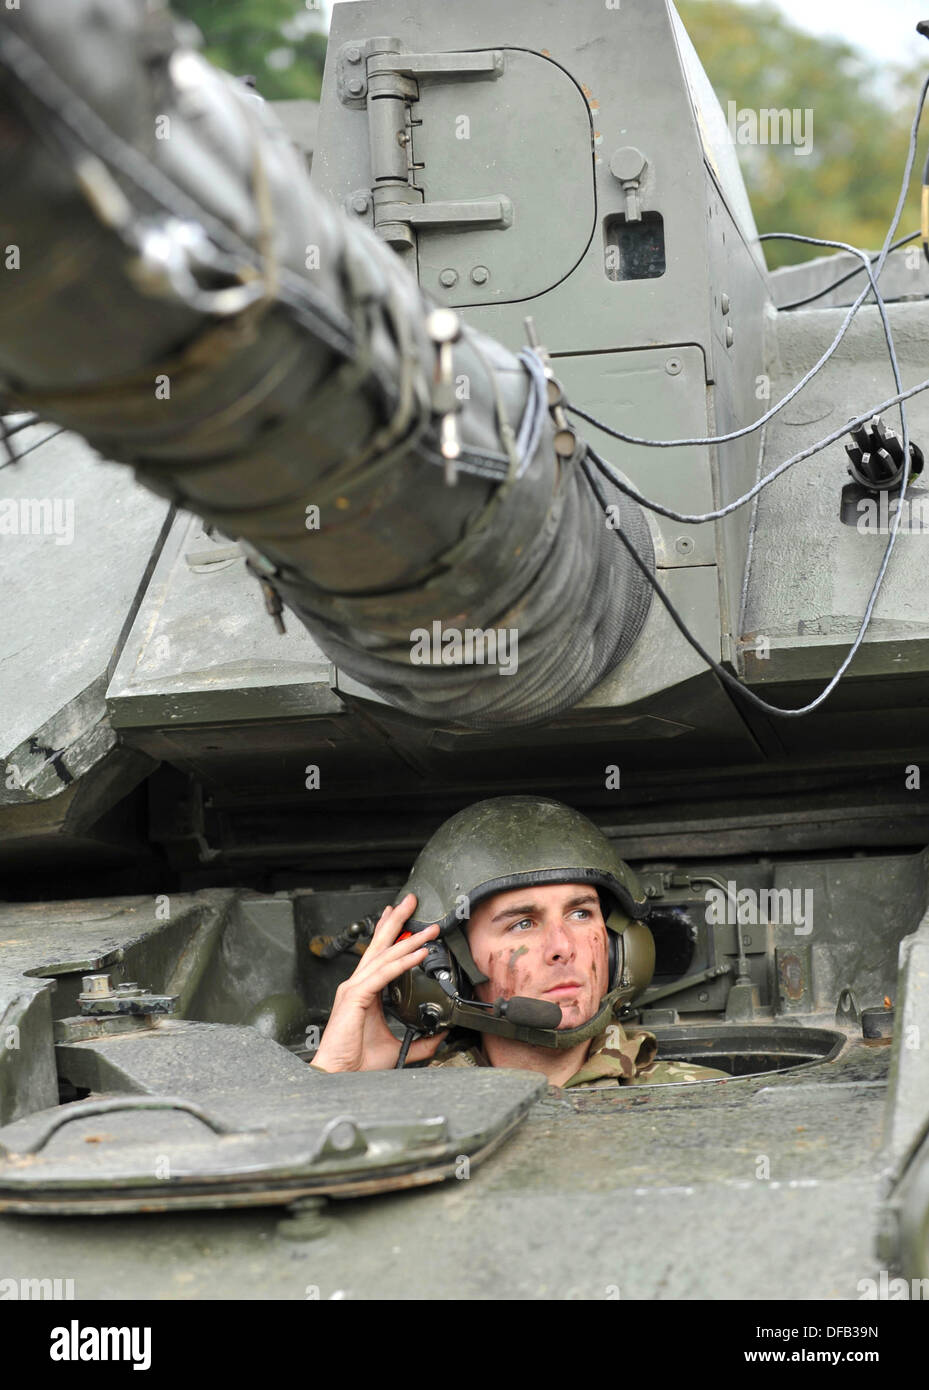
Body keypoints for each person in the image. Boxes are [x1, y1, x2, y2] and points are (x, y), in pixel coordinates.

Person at [310, 797, 728, 1088]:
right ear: (448, 970)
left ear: (623, 948)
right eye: (523, 924)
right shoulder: (395, 1115)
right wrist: (335, 1080)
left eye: (580, 913)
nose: (562, 947)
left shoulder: (706, 1099)